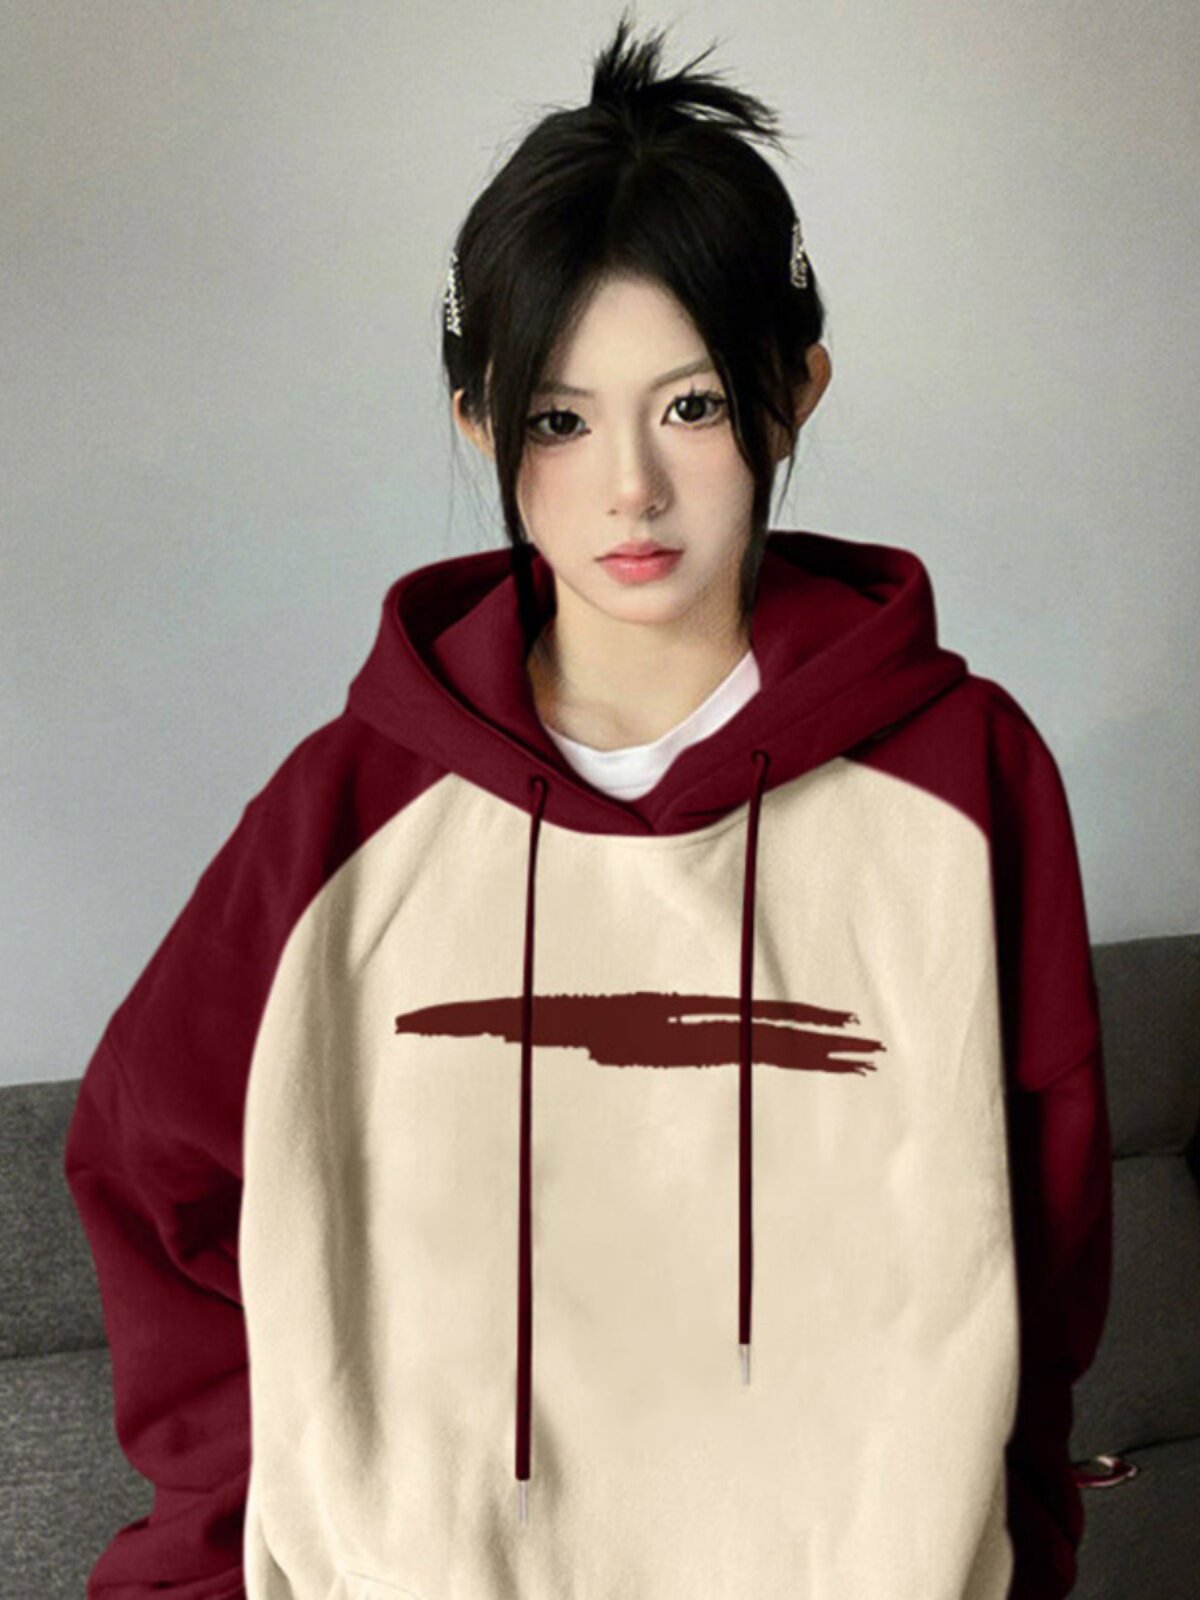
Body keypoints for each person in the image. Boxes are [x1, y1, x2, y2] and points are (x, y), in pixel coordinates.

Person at [64, 11, 1113, 1599]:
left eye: (692, 406)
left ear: (794, 393)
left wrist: (1017, 1537)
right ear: (479, 423)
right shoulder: (348, 809)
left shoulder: (962, 777)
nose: (632, 486)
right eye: (559, 418)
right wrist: (218, 1545)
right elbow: (155, 1181)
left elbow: (1047, 1236)